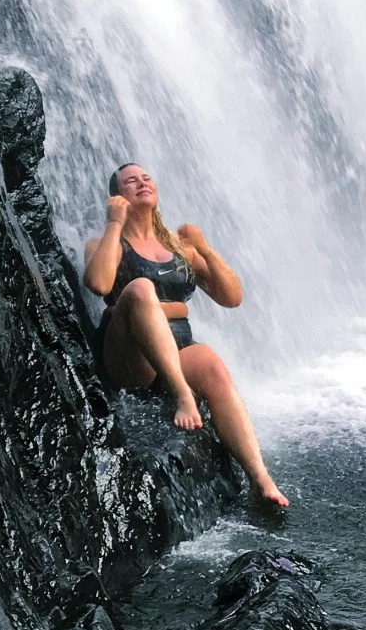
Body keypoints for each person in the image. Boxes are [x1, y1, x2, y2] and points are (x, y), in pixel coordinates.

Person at [83, 162, 287, 511]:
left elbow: (231, 297)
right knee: (141, 289)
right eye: (130, 181)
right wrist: (115, 223)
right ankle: (183, 396)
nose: (141, 182)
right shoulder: (107, 243)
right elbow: (100, 284)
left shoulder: (178, 248)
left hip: (177, 350)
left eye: (146, 177)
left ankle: (260, 477)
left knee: (213, 366)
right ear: (118, 197)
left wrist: (205, 249)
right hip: (132, 361)